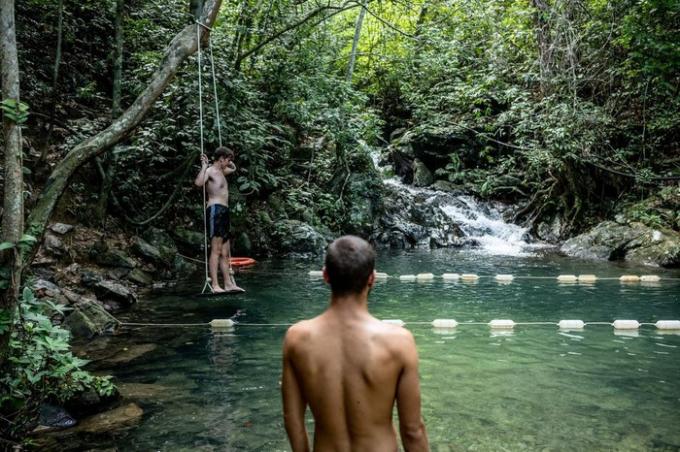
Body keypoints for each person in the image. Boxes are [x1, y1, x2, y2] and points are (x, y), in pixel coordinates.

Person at [281, 236, 429, 452]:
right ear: (372, 278)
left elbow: (293, 420)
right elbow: (412, 430)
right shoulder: (399, 342)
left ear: (325, 275)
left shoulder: (297, 339)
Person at [194, 146, 244, 293]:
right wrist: (204, 166)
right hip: (215, 210)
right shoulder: (210, 171)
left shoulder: (222, 171)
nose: (229, 162)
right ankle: (215, 285)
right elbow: (198, 183)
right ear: (221, 159)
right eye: (227, 159)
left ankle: (228, 284)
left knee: (225, 251)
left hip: (225, 211)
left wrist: (228, 160)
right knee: (216, 249)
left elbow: (233, 168)